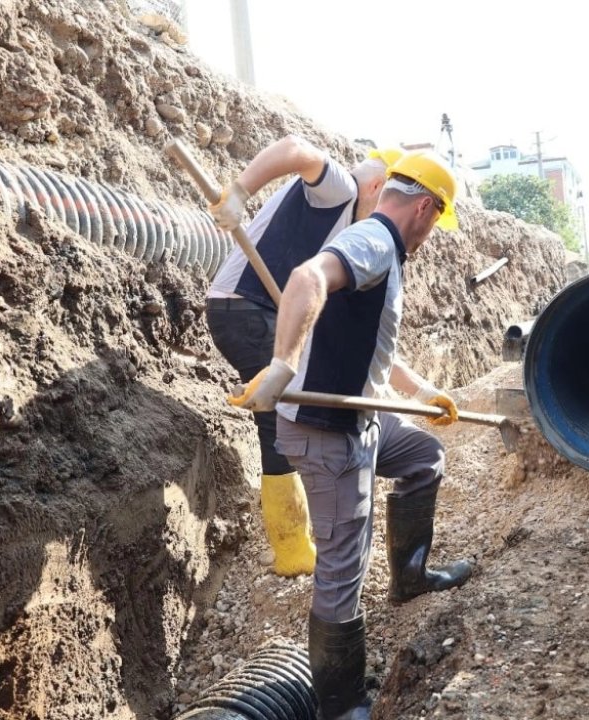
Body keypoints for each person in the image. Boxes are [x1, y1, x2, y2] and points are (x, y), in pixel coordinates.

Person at [229, 150, 468, 720]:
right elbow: (306, 277)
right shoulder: (375, 241)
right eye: (436, 222)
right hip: (329, 434)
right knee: (343, 567)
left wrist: (424, 393)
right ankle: (340, 704)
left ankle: (409, 576)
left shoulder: (381, 249)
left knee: (423, 454)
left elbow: (376, 345)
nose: (432, 234)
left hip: (359, 420)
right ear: (426, 210)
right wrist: (283, 364)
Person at [205, 134, 402, 577]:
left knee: (284, 412)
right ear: (377, 187)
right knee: (279, 420)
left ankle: (298, 538)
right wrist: (239, 191)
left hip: (254, 310)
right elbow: (296, 148)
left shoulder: (345, 232)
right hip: (244, 307)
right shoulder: (341, 190)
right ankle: (292, 547)